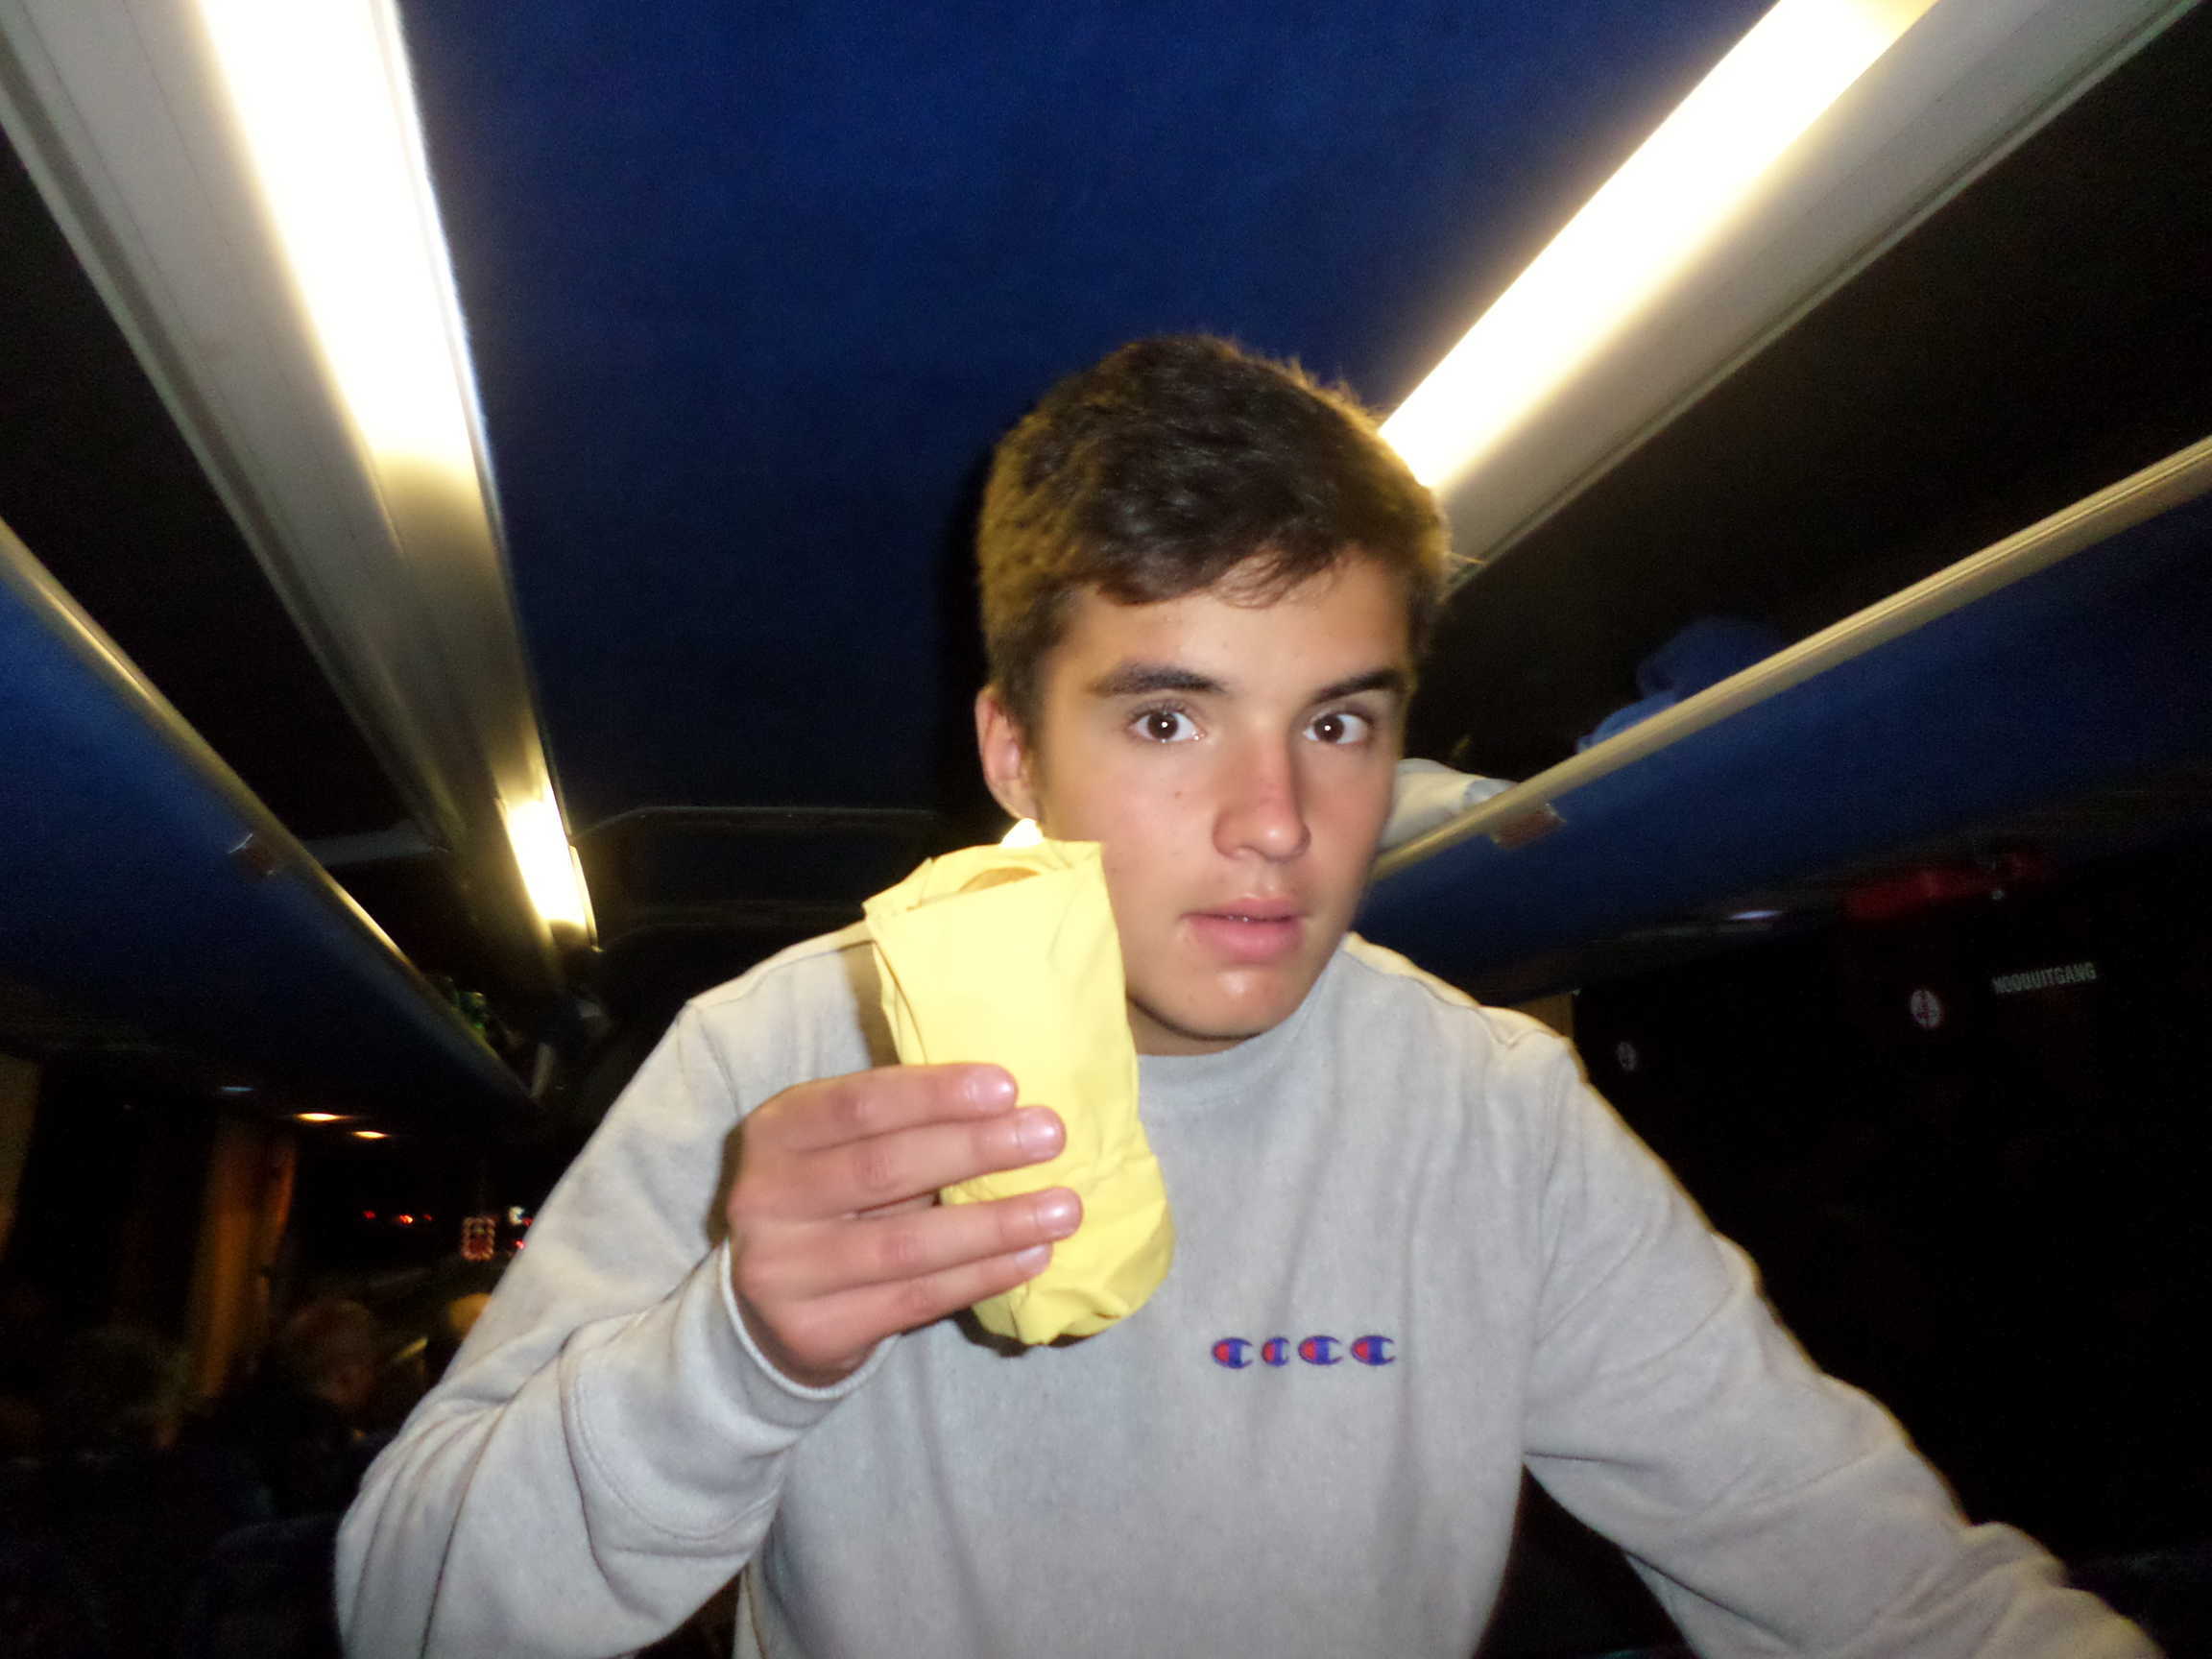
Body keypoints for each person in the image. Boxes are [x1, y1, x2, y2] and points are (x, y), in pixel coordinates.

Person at [336, 337, 2155, 1657]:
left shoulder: (1488, 1114)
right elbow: (410, 1608)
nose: (1277, 821)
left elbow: (1882, 1589)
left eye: (1339, 722)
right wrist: (731, 1356)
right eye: (1166, 717)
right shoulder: (782, 1056)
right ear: (1012, 752)